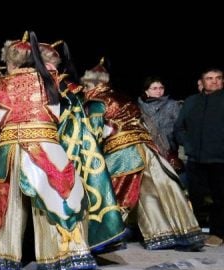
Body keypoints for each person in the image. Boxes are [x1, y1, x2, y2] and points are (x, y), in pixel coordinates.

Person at [0, 34, 117, 270]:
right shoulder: (53, 82)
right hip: (45, 146)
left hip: (8, 150)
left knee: (6, 205)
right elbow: (72, 121)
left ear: (9, 62)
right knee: (60, 201)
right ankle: (65, 260)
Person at [80, 60, 203, 250]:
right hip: (146, 147)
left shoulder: (97, 102)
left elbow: (93, 133)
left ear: (92, 84)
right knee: (155, 189)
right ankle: (170, 233)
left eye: (85, 84)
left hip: (123, 151)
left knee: (112, 190)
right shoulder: (122, 97)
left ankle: (110, 235)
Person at [174, 68, 224, 244]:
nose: (214, 81)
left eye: (218, 78)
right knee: (194, 198)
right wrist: (188, 145)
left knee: (220, 199)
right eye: (209, 78)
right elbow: (179, 127)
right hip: (196, 159)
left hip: (220, 160)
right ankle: (192, 232)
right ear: (202, 82)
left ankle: (218, 233)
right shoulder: (192, 101)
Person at [138, 76, 182, 169]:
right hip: (146, 149)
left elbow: (180, 126)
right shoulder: (138, 107)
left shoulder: (172, 105)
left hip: (167, 150)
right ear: (146, 91)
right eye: (154, 88)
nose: (158, 91)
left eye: (161, 88)